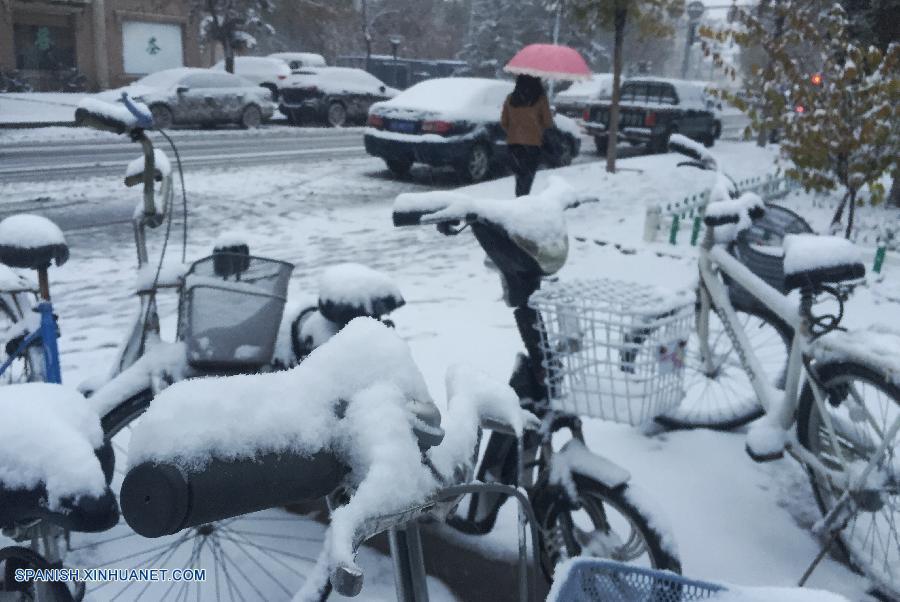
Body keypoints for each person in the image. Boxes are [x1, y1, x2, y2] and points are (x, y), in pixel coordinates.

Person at [501, 74, 552, 197]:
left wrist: (514, 131)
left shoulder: (510, 98)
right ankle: (523, 203)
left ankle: (519, 200)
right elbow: (548, 122)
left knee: (519, 178)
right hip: (533, 145)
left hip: (514, 144)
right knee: (527, 178)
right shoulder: (540, 99)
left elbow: (504, 122)